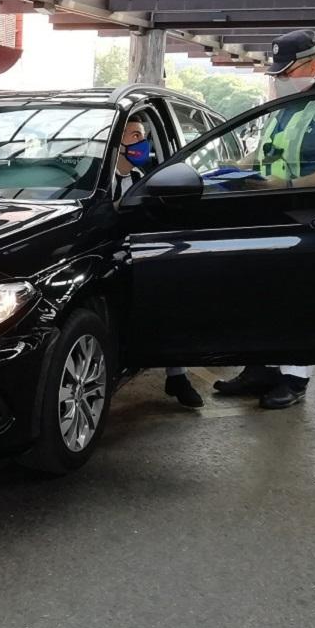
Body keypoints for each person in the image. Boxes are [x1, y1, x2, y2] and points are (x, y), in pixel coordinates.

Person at [214, 29, 315, 410]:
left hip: (309, 214)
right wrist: (236, 168)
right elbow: (266, 149)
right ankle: (259, 369)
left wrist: (291, 184)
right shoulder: (284, 102)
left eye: (287, 72)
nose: (280, 79)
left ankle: (295, 378)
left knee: (298, 297)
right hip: (268, 210)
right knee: (259, 294)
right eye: (277, 74)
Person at [112, 117, 205, 409]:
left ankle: (177, 375)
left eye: (141, 135)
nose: (140, 142)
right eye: (133, 135)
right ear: (115, 143)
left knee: (169, 299)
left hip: (141, 257)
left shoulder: (146, 179)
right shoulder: (97, 182)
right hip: (109, 258)